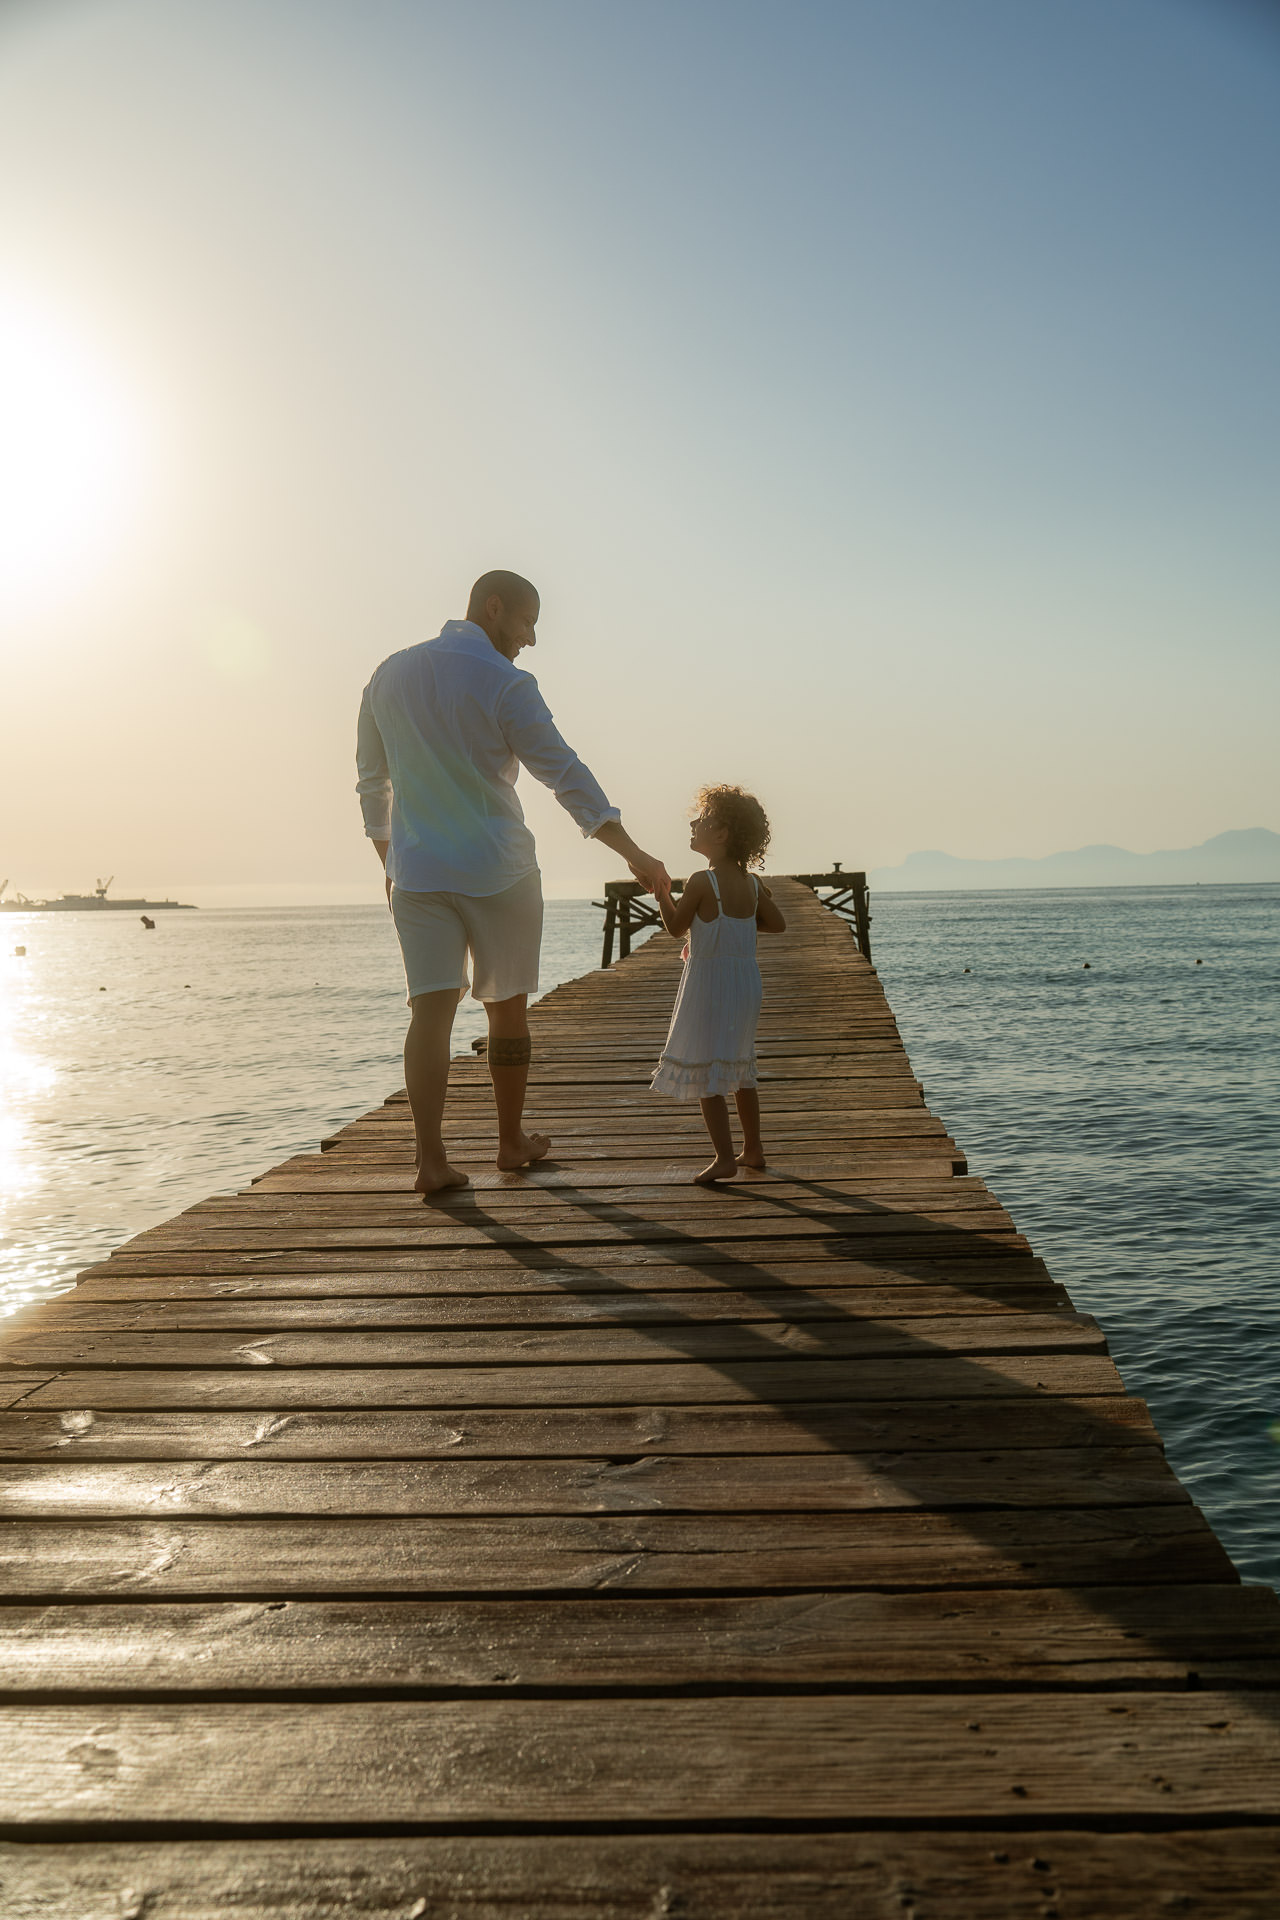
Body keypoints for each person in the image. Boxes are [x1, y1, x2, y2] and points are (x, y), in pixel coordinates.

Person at [356, 569, 669, 1194]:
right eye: (527, 622)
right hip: (497, 871)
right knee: (506, 1010)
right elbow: (564, 773)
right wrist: (634, 853)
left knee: (429, 1013)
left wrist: (390, 861)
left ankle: (430, 1162)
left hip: (417, 874)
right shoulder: (506, 681)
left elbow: (372, 782)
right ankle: (509, 1141)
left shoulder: (387, 675)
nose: (530, 638)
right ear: (493, 608)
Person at [650, 784, 786, 1182]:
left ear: (723, 834)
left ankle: (724, 1158)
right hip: (744, 980)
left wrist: (662, 895)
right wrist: (736, 933)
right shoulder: (752, 883)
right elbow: (777, 923)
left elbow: (676, 928)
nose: (694, 823)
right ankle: (753, 1149)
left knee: (708, 1066)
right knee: (740, 1064)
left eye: (703, 819)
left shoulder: (700, 881)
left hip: (709, 983)